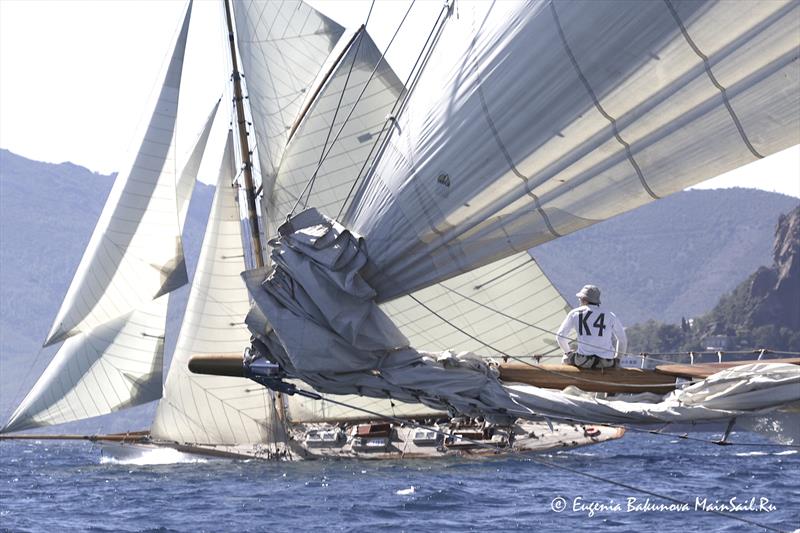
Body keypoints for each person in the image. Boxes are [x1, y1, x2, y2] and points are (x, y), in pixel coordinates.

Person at [556, 284, 627, 369]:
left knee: (565, 359)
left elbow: (560, 336)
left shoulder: (575, 313)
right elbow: (622, 340)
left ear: (584, 299)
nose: (579, 300)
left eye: (580, 298)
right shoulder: (610, 315)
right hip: (606, 362)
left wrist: (568, 353)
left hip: (583, 361)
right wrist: (617, 359)